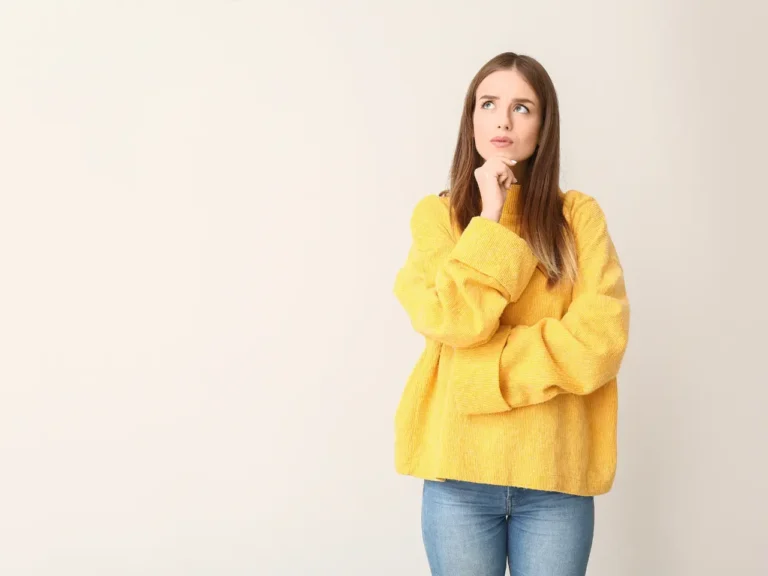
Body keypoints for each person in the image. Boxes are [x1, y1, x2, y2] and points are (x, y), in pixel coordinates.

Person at [392, 52, 631, 576]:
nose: (503, 119)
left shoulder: (578, 218)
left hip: (555, 481)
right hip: (457, 477)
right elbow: (455, 321)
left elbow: (600, 342)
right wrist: (491, 216)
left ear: (544, 128)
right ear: (471, 120)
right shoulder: (437, 216)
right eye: (489, 104)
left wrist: (477, 372)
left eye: (523, 107)